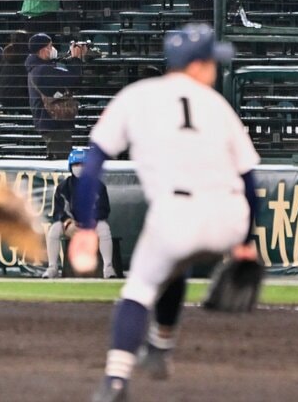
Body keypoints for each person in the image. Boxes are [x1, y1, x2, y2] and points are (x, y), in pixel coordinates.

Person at [75, 24, 260, 402]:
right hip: (230, 214)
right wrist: (246, 241)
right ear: (196, 66)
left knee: (140, 289)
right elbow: (249, 177)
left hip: (176, 215)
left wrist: (85, 226)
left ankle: (115, 379)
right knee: (173, 266)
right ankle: (160, 347)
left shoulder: (136, 96)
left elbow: (93, 163)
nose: (214, 69)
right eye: (211, 62)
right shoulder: (218, 105)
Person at [45, 147, 117, 279]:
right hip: (71, 226)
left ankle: (108, 267)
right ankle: (52, 267)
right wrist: (68, 223)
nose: (79, 167)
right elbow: (58, 212)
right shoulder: (63, 187)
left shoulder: (99, 186)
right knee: (54, 229)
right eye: (76, 164)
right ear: (70, 167)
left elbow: (104, 209)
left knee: (104, 228)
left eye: (83, 164)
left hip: (92, 225)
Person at [27, 32, 78, 158]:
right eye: (50, 46)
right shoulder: (42, 70)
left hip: (49, 121)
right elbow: (73, 79)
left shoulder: (38, 68)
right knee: (61, 162)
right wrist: (76, 59)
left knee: (55, 161)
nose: (52, 49)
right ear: (43, 50)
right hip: (53, 122)